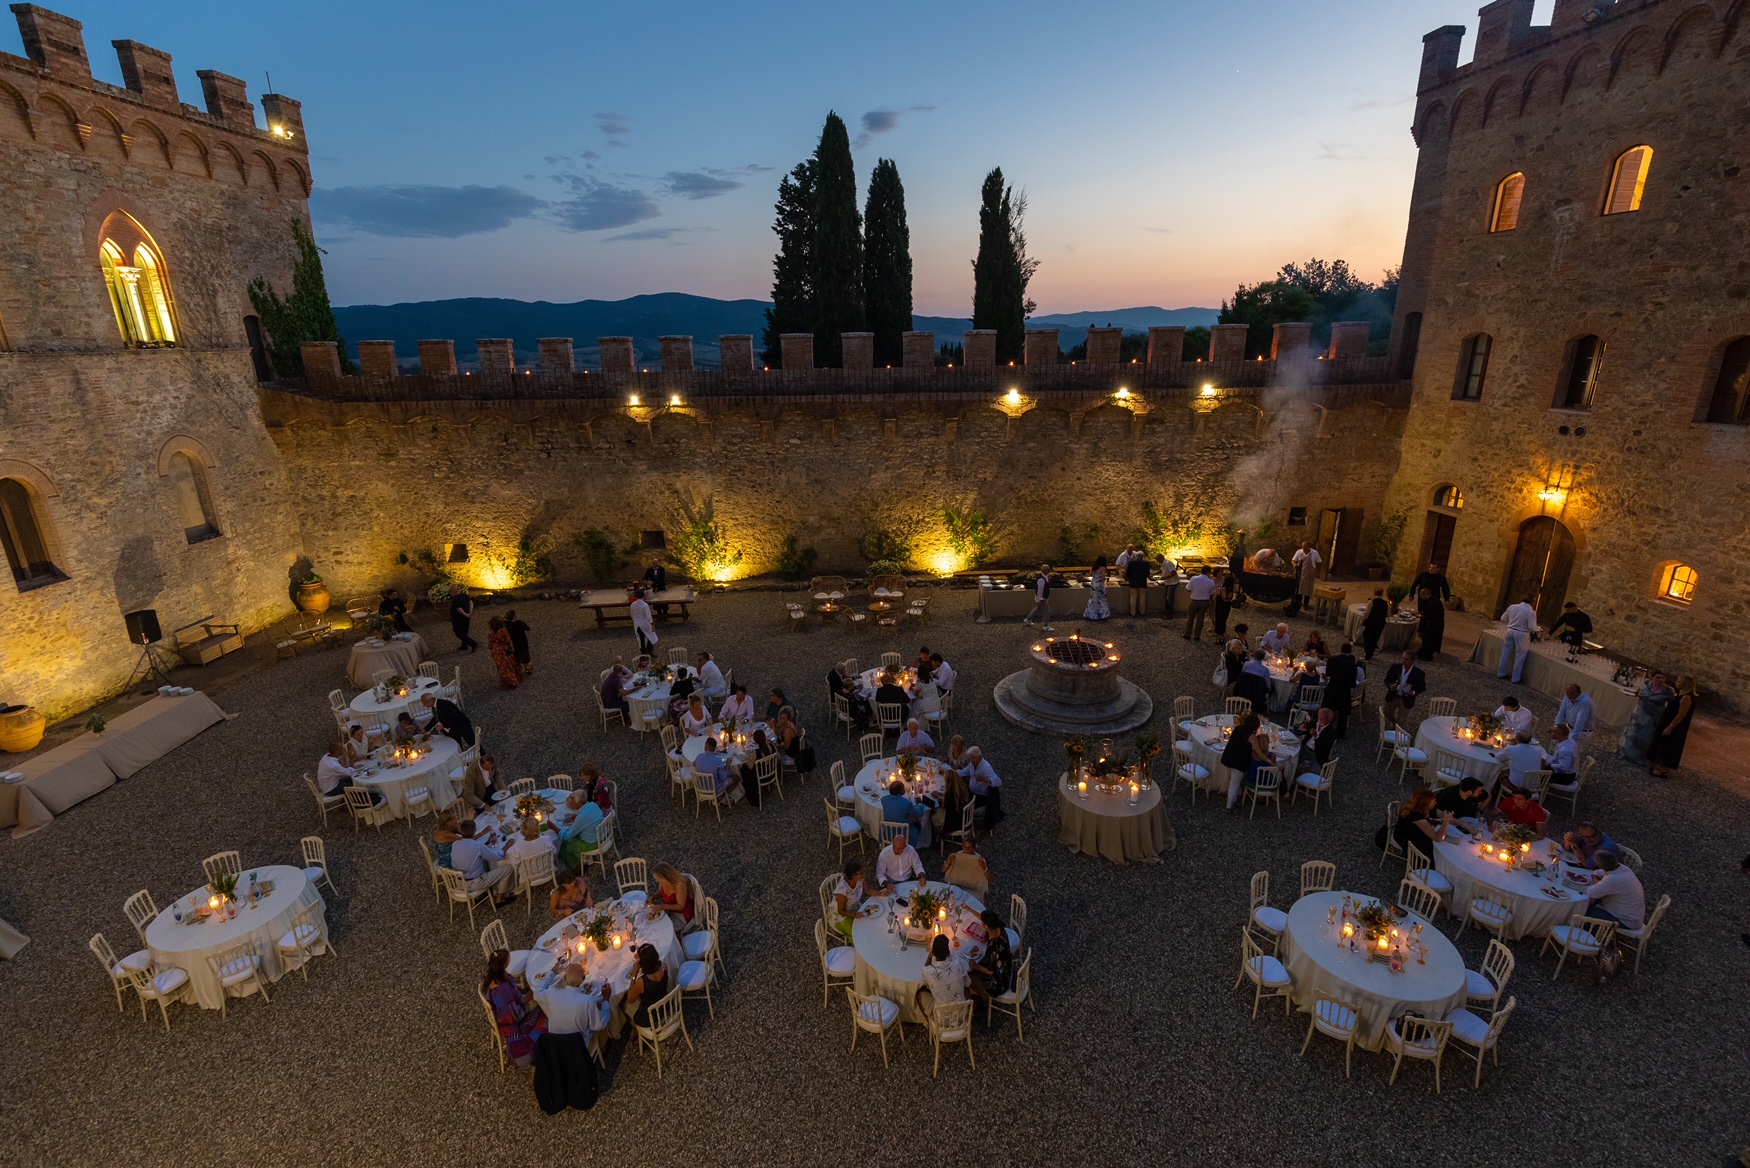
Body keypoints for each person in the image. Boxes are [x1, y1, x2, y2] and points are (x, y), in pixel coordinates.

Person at [482, 949, 546, 1068]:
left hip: (505, 1012)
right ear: (504, 964)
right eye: (508, 960)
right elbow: (515, 1015)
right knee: (545, 1010)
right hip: (514, 1025)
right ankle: (540, 1049)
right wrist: (528, 997)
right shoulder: (504, 990)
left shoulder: (490, 978)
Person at [533, 959, 612, 1046]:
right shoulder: (587, 1001)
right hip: (578, 1048)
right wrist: (606, 1000)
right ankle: (606, 1045)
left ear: (565, 977)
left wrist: (552, 972)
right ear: (583, 979)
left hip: (556, 1046)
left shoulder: (552, 993)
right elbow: (599, 1025)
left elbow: (537, 993)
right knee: (603, 1011)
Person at [450, 819, 515, 905]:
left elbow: (469, 851)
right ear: (474, 831)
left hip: (460, 883)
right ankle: (499, 899)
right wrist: (507, 846)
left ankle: (485, 893)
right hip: (475, 884)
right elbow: (497, 857)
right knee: (508, 869)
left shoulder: (455, 844)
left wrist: (487, 843)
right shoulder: (477, 846)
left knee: (482, 862)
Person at [1648, 674, 1697, 779]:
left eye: (1679, 681)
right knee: (1662, 742)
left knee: (1668, 745)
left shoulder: (1686, 697)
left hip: (1674, 725)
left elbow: (1681, 715)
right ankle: (1657, 765)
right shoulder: (1680, 695)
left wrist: (1671, 726)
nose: (1676, 682)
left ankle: (1663, 769)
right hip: (1667, 721)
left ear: (1685, 684)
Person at [1619, 671, 1672, 765]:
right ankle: (1626, 753)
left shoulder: (1668, 690)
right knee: (1633, 733)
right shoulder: (1646, 684)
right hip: (1640, 713)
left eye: (1663, 678)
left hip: (1653, 717)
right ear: (1652, 678)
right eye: (1658, 677)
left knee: (1646, 736)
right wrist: (1632, 693)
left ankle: (1639, 757)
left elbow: (1671, 703)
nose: (1660, 680)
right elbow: (1638, 693)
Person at [1583, 851, 1645, 930]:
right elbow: (1597, 872)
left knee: (1584, 912)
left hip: (1626, 920)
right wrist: (1598, 881)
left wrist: (1598, 883)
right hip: (1633, 914)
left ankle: (1594, 937)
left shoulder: (1614, 879)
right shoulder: (1622, 868)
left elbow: (1591, 892)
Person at [967, 908, 1015, 1006]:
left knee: (970, 975)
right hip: (1007, 967)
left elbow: (990, 970)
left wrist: (976, 966)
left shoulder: (993, 948)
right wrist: (967, 908)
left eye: (982, 923)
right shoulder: (1000, 926)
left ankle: (985, 998)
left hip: (1000, 982)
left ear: (986, 926)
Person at [1221, 710, 1263, 812]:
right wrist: (1270, 761)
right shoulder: (1252, 737)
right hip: (1238, 762)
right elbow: (1259, 752)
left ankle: (1234, 802)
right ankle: (1228, 807)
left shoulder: (1238, 728)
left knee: (1233, 783)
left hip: (1228, 758)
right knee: (1234, 785)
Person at [916, 933, 967, 1018]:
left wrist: (929, 958)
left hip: (942, 1019)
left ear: (933, 953)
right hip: (961, 1015)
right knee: (962, 983)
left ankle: (931, 1025)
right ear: (948, 952)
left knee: (919, 993)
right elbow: (967, 983)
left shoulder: (929, 972)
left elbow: (924, 974)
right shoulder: (958, 965)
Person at [622, 943, 671, 1031]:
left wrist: (634, 973)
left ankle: (640, 1033)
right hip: (665, 1007)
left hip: (650, 1018)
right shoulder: (664, 967)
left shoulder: (641, 982)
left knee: (624, 1007)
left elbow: (630, 999)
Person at [1391, 787, 1454, 853]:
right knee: (1437, 848)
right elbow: (1437, 838)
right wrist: (1446, 821)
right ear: (1426, 803)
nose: (1436, 802)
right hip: (1406, 839)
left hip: (1403, 832)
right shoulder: (1416, 816)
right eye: (1434, 801)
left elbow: (1424, 822)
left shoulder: (1414, 807)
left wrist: (1436, 820)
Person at [316, 741, 381, 803]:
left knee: (356, 779)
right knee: (357, 785)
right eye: (342, 748)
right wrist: (351, 758)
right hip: (331, 789)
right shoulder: (333, 765)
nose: (344, 748)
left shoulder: (326, 756)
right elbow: (350, 773)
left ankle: (365, 794)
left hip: (329, 783)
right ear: (337, 752)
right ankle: (368, 799)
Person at [557, 788, 605, 871]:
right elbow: (590, 817)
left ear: (578, 803)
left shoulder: (581, 818)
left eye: (571, 799)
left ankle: (577, 867)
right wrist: (577, 817)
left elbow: (567, 836)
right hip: (603, 835)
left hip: (592, 843)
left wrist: (553, 827)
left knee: (561, 848)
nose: (569, 801)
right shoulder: (592, 805)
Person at [1496, 595, 1539, 684]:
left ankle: (1501, 672)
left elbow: (1503, 618)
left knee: (1506, 652)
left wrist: (1513, 621)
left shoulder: (1512, 607)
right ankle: (1515, 678)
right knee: (1520, 655)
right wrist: (1539, 628)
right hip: (1522, 633)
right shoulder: (1531, 612)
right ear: (1532, 602)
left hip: (1510, 630)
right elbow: (1532, 627)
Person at [959, 747, 1005, 827]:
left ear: (979, 757)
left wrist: (985, 780)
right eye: (970, 758)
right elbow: (963, 772)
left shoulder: (986, 768)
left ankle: (962, 824)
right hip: (972, 792)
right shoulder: (972, 764)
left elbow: (998, 781)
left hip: (981, 797)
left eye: (973, 758)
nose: (971, 760)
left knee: (961, 804)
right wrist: (950, 772)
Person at [1322, 642, 1359, 736]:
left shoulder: (1332, 660)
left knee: (1328, 710)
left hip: (1332, 688)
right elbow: (1352, 684)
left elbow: (1328, 673)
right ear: (1350, 651)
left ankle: (1324, 729)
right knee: (1343, 714)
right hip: (1343, 691)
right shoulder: (1352, 665)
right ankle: (1340, 733)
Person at [507, 815, 559, 880]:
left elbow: (515, 863)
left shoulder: (518, 846)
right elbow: (554, 853)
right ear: (538, 828)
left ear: (523, 829)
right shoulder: (546, 840)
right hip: (548, 872)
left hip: (529, 878)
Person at [651, 864, 700, 932]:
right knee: (654, 926)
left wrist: (662, 906)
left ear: (664, 877)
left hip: (682, 915)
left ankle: (676, 940)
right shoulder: (662, 882)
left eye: (657, 879)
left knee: (664, 931)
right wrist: (653, 897)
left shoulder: (679, 885)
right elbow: (661, 892)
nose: (656, 881)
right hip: (670, 911)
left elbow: (680, 906)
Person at [1381, 651, 1426, 726]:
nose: (1403, 661)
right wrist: (1391, 686)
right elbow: (1387, 680)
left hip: (1407, 699)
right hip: (1394, 696)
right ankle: (1395, 725)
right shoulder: (1395, 667)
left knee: (1402, 720)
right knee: (1386, 712)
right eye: (1403, 658)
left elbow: (1422, 687)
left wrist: (1413, 692)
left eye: (1406, 659)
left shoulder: (1419, 673)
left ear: (1412, 661)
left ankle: (1398, 734)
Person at [880, 779, 928, 848]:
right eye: (903, 787)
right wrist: (920, 804)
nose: (905, 789)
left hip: (889, 832)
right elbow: (919, 814)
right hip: (903, 834)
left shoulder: (883, 799)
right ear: (900, 791)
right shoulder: (906, 803)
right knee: (917, 825)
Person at [942, 834, 992, 898]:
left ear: (974, 848)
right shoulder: (956, 856)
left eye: (969, 847)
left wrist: (984, 868)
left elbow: (990, 880)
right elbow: (943, 870)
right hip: (957, 887)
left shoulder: (979, 860)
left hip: (973, 889)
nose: (967, 850)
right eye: (965, 847)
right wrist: (948, 862)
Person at [833, 861, 873, 940]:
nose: (863, 873)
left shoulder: (860, 879)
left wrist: (882, 893)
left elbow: (868, 891)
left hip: (855, 907)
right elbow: (840, 910)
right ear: (854, 876)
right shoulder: (842, 889)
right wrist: (854, 915)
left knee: (871, 921)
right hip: (841, 915)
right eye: (861, 872)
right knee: (857, 935)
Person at [827, 663, 870, 729]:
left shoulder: (842, 689)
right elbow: (858, 704)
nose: (845, 671)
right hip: (850, 710)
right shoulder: (837, 681)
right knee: (867, 705)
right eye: (844, 670)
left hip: (842, 703)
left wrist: (854, 679)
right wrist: (866, 697)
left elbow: (844, 679)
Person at [1183, 565, 1218, 641]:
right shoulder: (1211, 582)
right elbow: (1212, 593)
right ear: (1208, 572)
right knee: (1200, 619)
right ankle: (1197, 636)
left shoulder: (1194, 579)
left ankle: (1187, 634)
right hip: (1205, 602)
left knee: (1190, 618)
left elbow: (1187, 588)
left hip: (1194, 600)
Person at [486, 616, 522, 689]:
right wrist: (511, 647)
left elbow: (491, 643)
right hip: (505, 649)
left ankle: (508, 682)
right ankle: (514, 680)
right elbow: (508, 640)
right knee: (510, 664)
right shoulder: (504, 630)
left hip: (497, 651)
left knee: (502, 668)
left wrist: (491, 651)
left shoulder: (491, 633)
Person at [1231, 651, 1271, 715]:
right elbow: (1268, 684)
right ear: (1263, 658)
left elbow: (1243, 675)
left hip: (1244, 688)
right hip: (1257, 692)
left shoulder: (1246, 664)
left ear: (1254, 656)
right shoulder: (1265, 670)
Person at [1289, 541, 1322, 616]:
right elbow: (1293, 560)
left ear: (1309, 547)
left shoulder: (1315, 553)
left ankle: (1306, 603)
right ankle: (1298, 602)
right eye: (1303, 547)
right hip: (1300, 572)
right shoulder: (1299, 552)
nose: (1304, 549)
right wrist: (1294, 564)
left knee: (1308, 588)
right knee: (1299, 587)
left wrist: (1317, 571)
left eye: (1305, 548)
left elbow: (1319, 562)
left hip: (1310, 573)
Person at [1415, 586, 1446, 660]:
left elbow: (1432, 616)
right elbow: (1427, 611)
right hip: (1432, 623)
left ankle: (1428, 656)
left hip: (1435, 624)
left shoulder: (1433, 603)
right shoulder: (1431, 601)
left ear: (1426, 595)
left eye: (1422, 596)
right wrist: (1420, 613)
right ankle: (1422, 651)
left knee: (1430, 640)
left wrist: (1421, 616)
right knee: (1425, 638)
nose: (1421, 598)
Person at [1023, 564, 1055, 631]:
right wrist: (1041, 599)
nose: (1049, 570)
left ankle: (1028, 619)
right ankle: (1045, 626)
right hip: (1042, 598)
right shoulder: (1041, 580)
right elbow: (1040, 590)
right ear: (1045, 571)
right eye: (1048, 569)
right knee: (1047, 611)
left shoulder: (1045, 577)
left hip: (1041, 597)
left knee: (1038, 608)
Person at [1361, 588, 1390, 661]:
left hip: (1371, 622)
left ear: (1374, 593)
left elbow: (1367, 613)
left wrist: (1362, 621)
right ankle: (1371, 653)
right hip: (1380, 623)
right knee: (1375, 638)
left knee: (1368, 637)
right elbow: (1388, 614)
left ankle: (1367, 654)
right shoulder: (1386, 603)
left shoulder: (1371, 602)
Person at [1123, 542, 1151, 616]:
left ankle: (1133, 612)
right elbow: (1148, 574)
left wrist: (1128, 578)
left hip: (1133, 582)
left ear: (1136, 556)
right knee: (1142, 597)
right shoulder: (1146, 563)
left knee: (1133, 597)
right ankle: (1142, 612)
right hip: (1142, 582)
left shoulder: (1132, 563)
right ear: (1143, 556)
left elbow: (1128, 572)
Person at [629, 587, 657, 657]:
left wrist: (634, 620)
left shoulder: (633, 604)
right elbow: (648, 616)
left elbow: (632, 614)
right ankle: (649, 651)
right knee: (652, 636)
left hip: (637, 623)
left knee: (641, 638)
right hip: (644, 622)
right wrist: (652, 624)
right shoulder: (645, 605)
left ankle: (643, 652)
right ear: (643, 595)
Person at [503, 609, 532, 676]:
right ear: (514, 617)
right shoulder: (519, 623)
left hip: (514, 644)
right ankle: (527, 668)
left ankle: (520, 669)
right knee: (525, 656)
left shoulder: (506, 625)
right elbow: (528, 628)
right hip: (522, 643)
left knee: (517, 656)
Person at [449, 584, 477, 652]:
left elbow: (459, 609)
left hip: (459, 619)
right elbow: (471, 603)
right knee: (464, 632)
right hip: (466, 618)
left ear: (453, 592)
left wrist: (465, 614)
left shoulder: (456, 600)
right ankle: (464, 646)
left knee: (459, 632)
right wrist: (470, 612)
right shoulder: (465, 596)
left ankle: (473, 643)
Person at [1084, 554, 1110, 620]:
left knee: (1093, 599)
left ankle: (1090, 613)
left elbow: (1090, 574)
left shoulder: (1094, 566)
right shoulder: (1103, 568)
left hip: (1093, 583)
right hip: (1099, 584)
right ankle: (1102, 614)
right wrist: (1105, 579)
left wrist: (1095, 575)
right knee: (1101, 599)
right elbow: (1103, 577)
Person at [1212, 569, 1236, 638]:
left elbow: (1214, 598)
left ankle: (1217, 632)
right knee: (1224, 619)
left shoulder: (1220, 589)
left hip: (1219, 606)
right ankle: (1222, 632)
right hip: (1227, 606)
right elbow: (1233, 598)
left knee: (1218, 618)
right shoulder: (1232, 591)